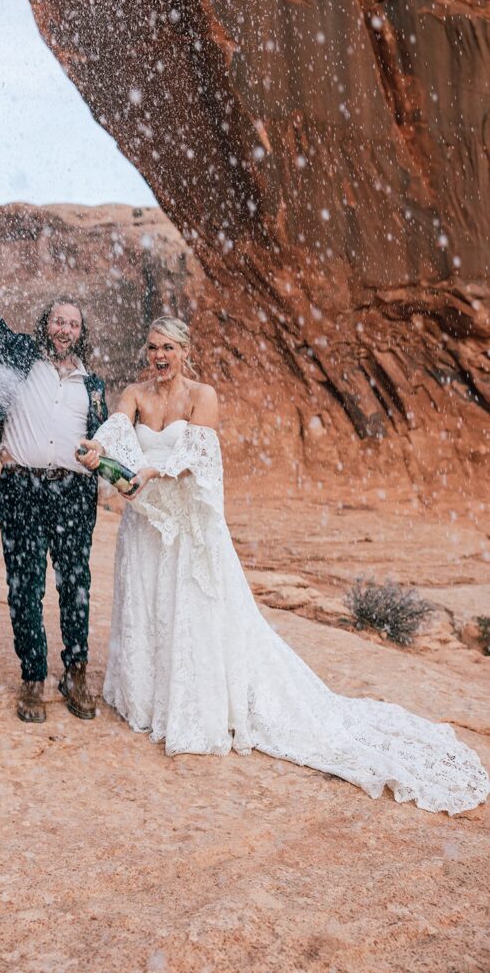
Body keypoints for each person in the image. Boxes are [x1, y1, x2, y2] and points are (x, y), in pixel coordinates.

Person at [78, 316, 490, 814]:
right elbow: (116, 429)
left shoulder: (202, 396)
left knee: (193, 615)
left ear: (186, 351)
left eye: (168, 347)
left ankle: (196, 709)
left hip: (190, 530)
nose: (159, 356)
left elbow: (198, 457)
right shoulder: (135, 393)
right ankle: (149, 700)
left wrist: (152, 468)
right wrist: (100, 448)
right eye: (152, 347)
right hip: (148, 528)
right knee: (151, 610)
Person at [0, 210, 108, 724]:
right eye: (59, 319)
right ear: (47, 324)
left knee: (76, 585)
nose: (65, 328)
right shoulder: (18, 354)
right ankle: (33, 679)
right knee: (24, 586)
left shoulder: (93, 385)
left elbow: (104, 441)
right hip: (19, 489)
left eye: (74, 323)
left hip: (75, 495)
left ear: (82, 333)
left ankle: (76, 673)